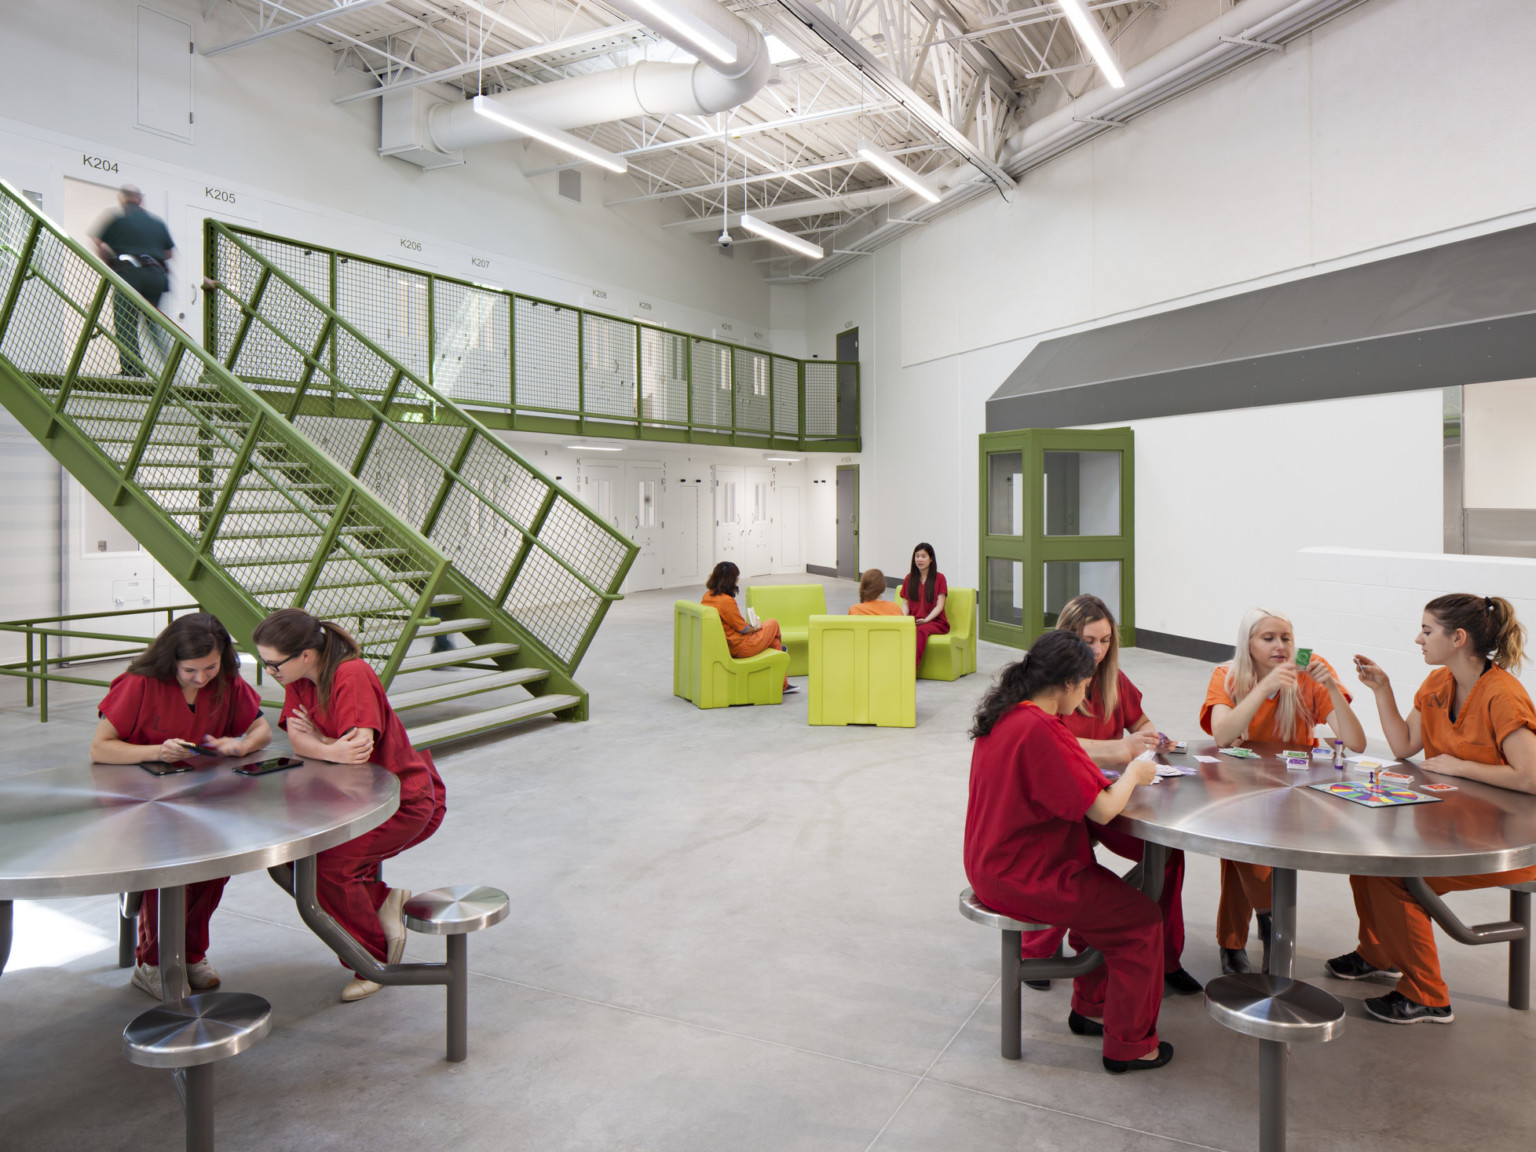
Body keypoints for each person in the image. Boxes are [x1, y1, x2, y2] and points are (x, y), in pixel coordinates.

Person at [964, 630, 1172, 1074]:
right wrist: (1135, 772)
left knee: (1108, 901)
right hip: (1024, 875)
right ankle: (1131, 1046)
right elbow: (1101, 809)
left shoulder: (1007, 715)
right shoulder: (1043, 730)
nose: (1084, 697)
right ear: (1065, 683)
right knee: (1140, 921)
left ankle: (1092, 1008)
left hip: (991, 862)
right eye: (1083, 686)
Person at [1329, 594, 1536, 1025]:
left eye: (1427, 631)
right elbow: (1405, 746)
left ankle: (1428, 995)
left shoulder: (1504, 696)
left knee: (1398, 879)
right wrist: (1382, 689)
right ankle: (1378, 953)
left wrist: (1460, 765)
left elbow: (1531, 777)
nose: (1418, 639)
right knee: (1367, 862)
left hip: (1510, 842)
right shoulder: (1438, 684)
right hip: (1459, 828)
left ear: (1458, 638)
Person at [253, 608, 448, 1002]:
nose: (269, 672)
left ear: (305, 654)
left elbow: (356, 751)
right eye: (265, 663)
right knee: (287, 860)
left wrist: (323, 745)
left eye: (274, 664)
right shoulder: (300, 679)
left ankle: (370, 959)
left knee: (330, 868)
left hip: (399, 802)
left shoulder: (351, 675)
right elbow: (298, 742)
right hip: (347, 801)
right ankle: (382, 901)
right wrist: (329, 747)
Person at [1017, 594, 1200, 996]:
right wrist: (1120, 751)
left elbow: (1141, 722)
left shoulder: (1115, 680)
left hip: (1110, 796)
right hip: (1069, 801)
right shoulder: (1049, 688)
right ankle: (1040, 951)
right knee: (1066, 851)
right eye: (1087, 641)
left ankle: (1167, 957)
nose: (1097, 651)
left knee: (1167, 853)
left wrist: (1152, 737)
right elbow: (1050, 742)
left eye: (1104, 640)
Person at [89, 612, 271, 999]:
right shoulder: (139, 684)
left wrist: (241, 745)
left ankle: (190, 953)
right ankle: (152, 964)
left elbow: (261, 728)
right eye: (191, 670)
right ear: (171, 659)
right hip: (144, 802)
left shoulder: (227, 684)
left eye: (211, 667)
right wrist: (158, 750)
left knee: (215, 871)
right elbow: (100, 748)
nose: (202, 678)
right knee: (168, 877)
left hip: (206, 798)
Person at [1201, 608, 1366, 974]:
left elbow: (1355, 742)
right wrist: (1265, 686)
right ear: (1248, 643)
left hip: (1294, 788)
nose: (1280, 646)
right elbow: (1223, 735)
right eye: (1268, 638)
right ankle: (1267, 918)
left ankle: (1236, 941)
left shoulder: (1310, 670)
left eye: (1286, 638)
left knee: (1245, 853)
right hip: (1241, 784)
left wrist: (1333, 689)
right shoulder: (1226, 674)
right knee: (1239, 846)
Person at [89, 185, 174, 377]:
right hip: (156, 275)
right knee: (153, 323)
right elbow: (168, 253)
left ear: (122, 200)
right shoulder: (157, 223)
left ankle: (132, 369)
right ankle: (171, 365)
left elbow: (98, 243)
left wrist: (110, 263)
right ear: (140, 200)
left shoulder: (117, 219)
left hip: (130, 274)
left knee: (125, 321)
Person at [701, 562, 796, 693]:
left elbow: (734, 624)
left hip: (728, 644)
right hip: (740, 647)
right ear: (731, 579)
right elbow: (743, 629)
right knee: (773, 623)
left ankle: (783, 684)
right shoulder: (726, 601)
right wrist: (757, 625)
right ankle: (779, 651)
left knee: (774, 642)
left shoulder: (707, 596)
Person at [898, 543, 948, 668]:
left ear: (931, 559)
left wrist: (926, 620)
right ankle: (895, 666)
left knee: (920, 631)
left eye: (923, 556)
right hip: (914, 620)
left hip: (935, 621)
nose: (919, 559)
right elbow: (905, 604)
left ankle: (910, 669)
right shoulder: (909, 578)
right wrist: (904, 619)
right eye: (917, 556)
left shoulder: (940, 578)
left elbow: (939, 605)